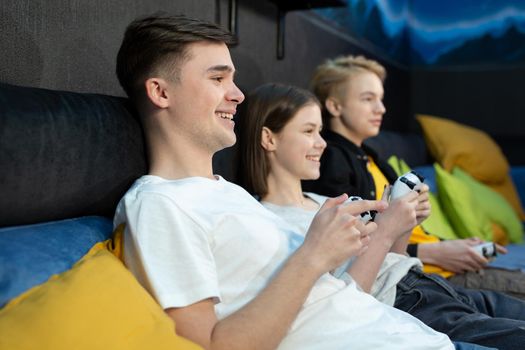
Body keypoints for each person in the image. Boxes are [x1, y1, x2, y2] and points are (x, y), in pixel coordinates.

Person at [112, 13, 469, 350]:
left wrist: (336, 247)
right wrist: (313, 254)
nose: (237, 94)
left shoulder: (228, 192)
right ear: (161, 92)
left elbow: (332, 304)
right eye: (217, 78)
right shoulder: (161, 205)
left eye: (233, 80)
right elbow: (208, 345)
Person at [235, 81, 525, 350]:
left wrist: (404, 224)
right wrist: (386, 231)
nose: (322, 143)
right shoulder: (272, 221)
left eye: (320, 132)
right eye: (309, 131)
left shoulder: (325, 201)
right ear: (268, 139)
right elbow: (348, 303)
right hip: (405, 302)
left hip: (423, 282)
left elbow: (389, 261)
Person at [301, 54, 525, 300]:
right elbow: (353, 241)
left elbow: (404, 225)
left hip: (426, 266)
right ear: (334, 106)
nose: (381, 109)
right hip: (415, 275)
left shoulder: (372, 157)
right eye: (368, 99)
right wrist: (434, 251)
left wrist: (447, 244)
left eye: (381, 99)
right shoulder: (332, 159)